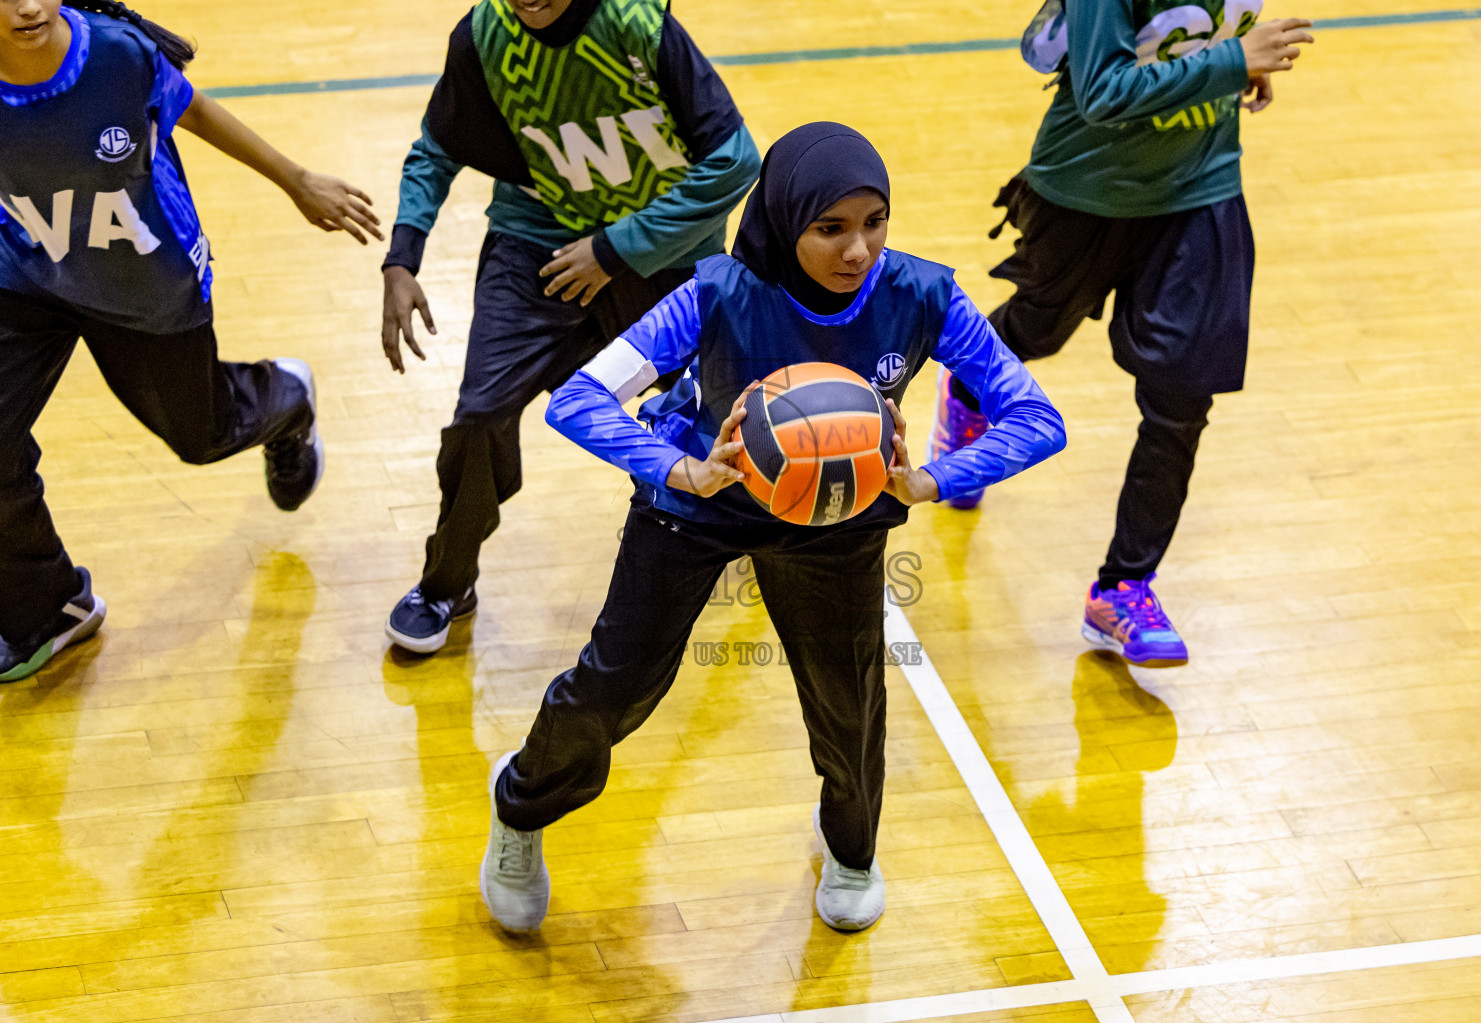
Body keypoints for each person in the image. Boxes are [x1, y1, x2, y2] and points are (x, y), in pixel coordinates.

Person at [475, 123, 1067, 935]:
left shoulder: (924, 296)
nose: (858, 248)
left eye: (874, 221)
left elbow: (1038, 418)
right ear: (786, 222)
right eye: (831, 227)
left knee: (849, 704)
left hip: (837, 518)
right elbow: (577, 399)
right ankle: (520, 807)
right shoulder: (717, 292)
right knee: (619, 685)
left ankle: (850, 850)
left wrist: (929, 479)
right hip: (702, 499)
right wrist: (678, 469)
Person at [0, 0, 381, 683]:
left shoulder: (116, 56)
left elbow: (193, 109)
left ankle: (283, 397)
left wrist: (295, 180)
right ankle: (50, 610)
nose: (26, 5)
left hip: (143, 287)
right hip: (28, 274)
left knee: (200, 437)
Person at [929, 0, 1313, 668]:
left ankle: (1123, 588)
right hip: (1088, 188)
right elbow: (1103, 91)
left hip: (1200, 183)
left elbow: (1201, 30)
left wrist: (1229, 62)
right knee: (1037, 331)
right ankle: (966, 389)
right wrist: (1227, 62)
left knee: (1182, 396)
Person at [379, 0, 760, 655]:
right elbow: (436, 148)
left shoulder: (638, 27)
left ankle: (744, 522)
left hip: (656, 255)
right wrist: (402, 256)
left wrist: (614, 250)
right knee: (480, 415)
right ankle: (447, 583)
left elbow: (735, 160)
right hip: (538, 248)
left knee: (724, 405)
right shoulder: (483, 38)